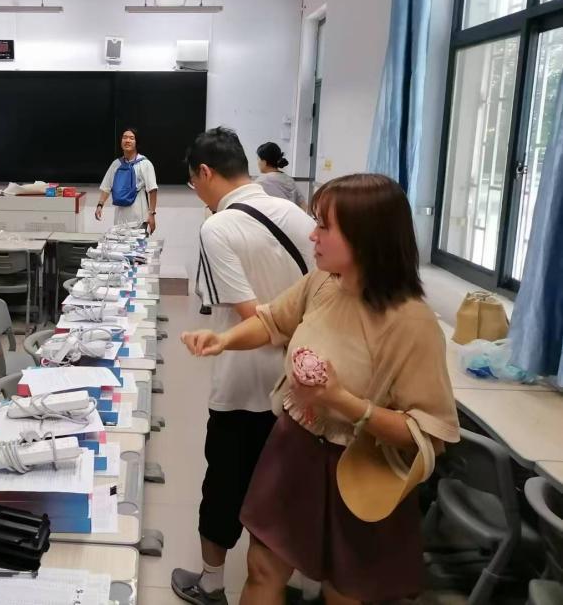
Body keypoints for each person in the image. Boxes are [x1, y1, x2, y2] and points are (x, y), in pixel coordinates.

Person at [182, 173, 459, 605]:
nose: (313, 235)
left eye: (325, 227)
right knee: (262, 566)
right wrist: (223, 340)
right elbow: (273, 320)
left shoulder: (412, 323)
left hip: (357, 466)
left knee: (344, 591)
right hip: (295, 447)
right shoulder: (323, 284)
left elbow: (427, 433)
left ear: (367, 238)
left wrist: (342, 402)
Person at [172, 127, 315, 605]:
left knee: (225, 486)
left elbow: (253, 315)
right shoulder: (296, 215)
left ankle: (212, 583)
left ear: (205, 173)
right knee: (283, 490)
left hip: (245, 381)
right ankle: (282, 581)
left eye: (193, 183)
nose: (197, 192)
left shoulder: (218, 227)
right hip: (301, 385)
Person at [95, 128, 158, 233]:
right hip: (120, 219)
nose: (127, 140)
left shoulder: (145, 164)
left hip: (139, 218)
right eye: (124, 137)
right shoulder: (116, 164)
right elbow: (106, 187)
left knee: (137, 243)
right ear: (121, 142)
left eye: (131, 138)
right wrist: (100, 205)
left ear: (136, 142)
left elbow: (153, 190)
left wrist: (152, 214)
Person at [256, 142, 306, 210]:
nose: (257, 163)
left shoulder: (260, 182)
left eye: (258, 159)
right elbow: (303, 204)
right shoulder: (289, 179)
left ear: (264, 162)